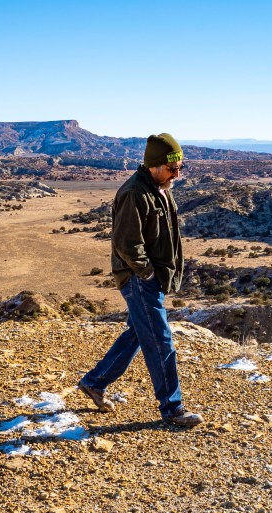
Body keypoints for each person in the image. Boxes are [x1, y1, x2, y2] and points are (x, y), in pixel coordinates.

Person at [78, 133, 204, 428]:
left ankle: (95, 382)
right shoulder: (135, 192)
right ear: (154, 165)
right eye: (173, 169)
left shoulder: (160, 188)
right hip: (138, 279)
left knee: (138, 332)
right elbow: (126, 242)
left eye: (180, 168)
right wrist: (146, 272)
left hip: (151, 278)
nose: (177, 174)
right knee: (160, 341)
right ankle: (173, 409)